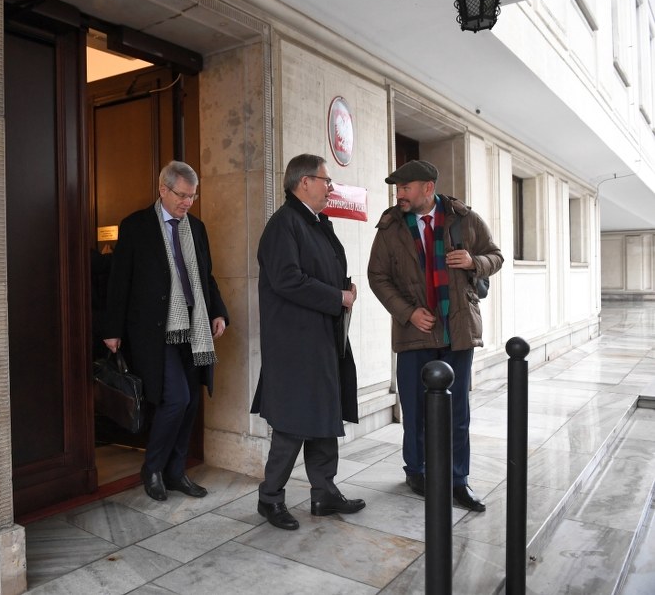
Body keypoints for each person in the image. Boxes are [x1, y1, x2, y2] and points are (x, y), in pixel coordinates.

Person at [367, 159, 503, 512]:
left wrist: (474, 262)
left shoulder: (465, 219)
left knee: (458, 412)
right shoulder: (391, 226)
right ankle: (417, 472)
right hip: (414, 333)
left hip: (457, 330)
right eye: (397, 189)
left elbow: (496, 255)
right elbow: (377, 276)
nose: (400, 195)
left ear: (428, 188)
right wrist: (408, 312)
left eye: (406, 188)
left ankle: (459, 480)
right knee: (414, 411)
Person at [251, 153, 365, 531]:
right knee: (293, 423)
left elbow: (319, 270)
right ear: (304, 182)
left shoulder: (315, 222)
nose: (330, 186)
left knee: (323, 415)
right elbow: (287, 279)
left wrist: (342, 289)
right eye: (325, 180)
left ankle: (324, 493)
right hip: (295, 343)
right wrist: (337, 298)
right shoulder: (283, 224)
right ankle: (270, 499)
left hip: (321, 337)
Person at [103, 160, 228, 501]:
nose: (187, 202)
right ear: (163, 189)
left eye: (193, 196)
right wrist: (111, 328)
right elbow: (120, 279)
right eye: (182, 195)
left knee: (189, 404)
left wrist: (218, 312)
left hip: (193, 325)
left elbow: (207, 277)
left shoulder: (197, 228)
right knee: (176, 399)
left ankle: (176, 473)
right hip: (154, 330)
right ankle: (153, 468)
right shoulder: (137, 225)